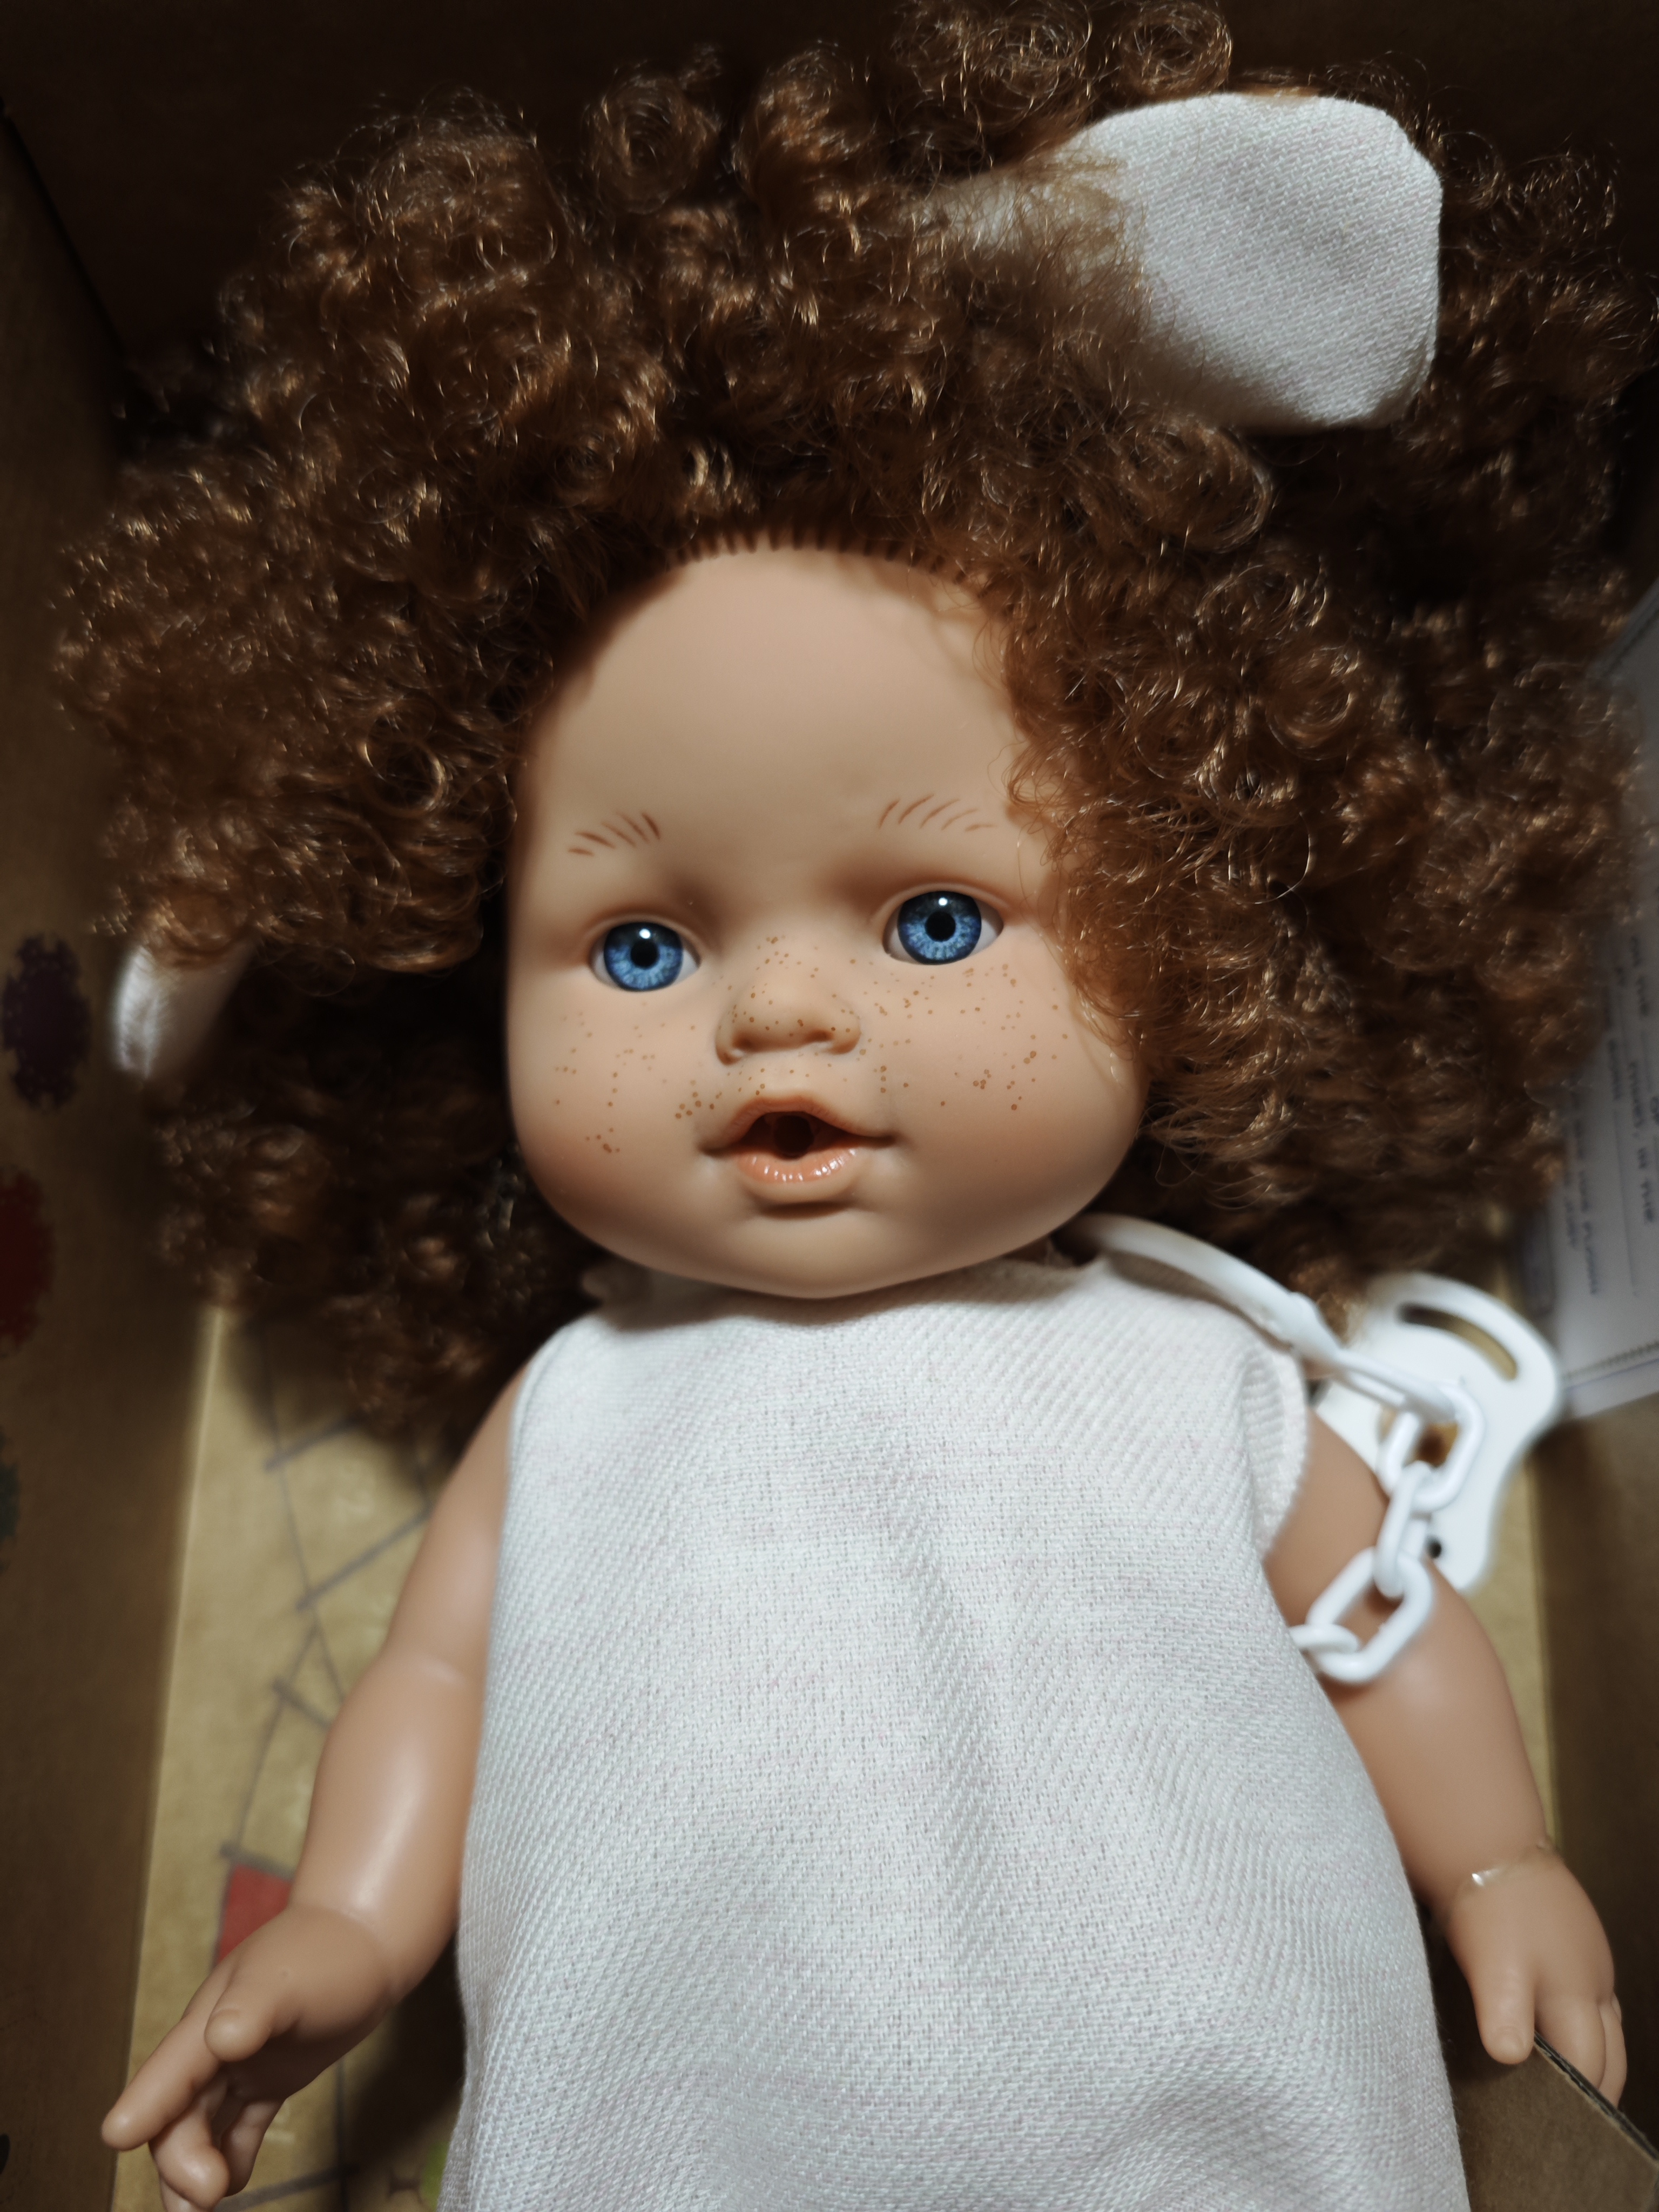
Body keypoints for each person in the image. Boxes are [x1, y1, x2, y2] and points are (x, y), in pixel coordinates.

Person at [68, 5, 1646, 2203]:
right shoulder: (582, 1409)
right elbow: (433, 1683)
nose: (780, 1018)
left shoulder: (1198, 1374)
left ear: (1196, 923)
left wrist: (1495, 1866)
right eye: (644, 948)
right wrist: (348, 1924)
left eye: (933, 920)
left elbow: (1382, 1624)